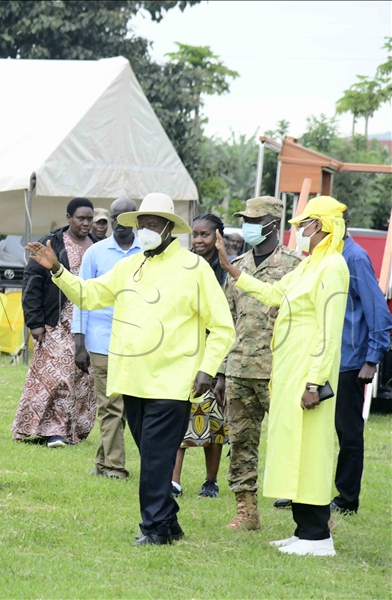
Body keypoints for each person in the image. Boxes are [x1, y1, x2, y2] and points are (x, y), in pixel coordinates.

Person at [27, 192, 235, 546]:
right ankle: (168, 521)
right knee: (151, 456)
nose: (146, 230)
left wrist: (207, 368)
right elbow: (90, 295)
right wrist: (58, 270)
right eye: (143, 224)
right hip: (132, 379)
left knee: (155, 460)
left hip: (172, 380)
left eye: (154, 224)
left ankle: (154, 529)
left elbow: (223, 326)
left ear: (170, 228)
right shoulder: (129, 266)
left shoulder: (194, 268)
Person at [216, 195, 349, 557]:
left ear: (320, 226)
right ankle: (304, 531)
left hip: (309, 375)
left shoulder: (333, 266)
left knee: (311, 454)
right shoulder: (310, 265)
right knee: (294, 451)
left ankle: (318, 536)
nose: (300, 232)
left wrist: (315, 383)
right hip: (290, 372)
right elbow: (274, 294)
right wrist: (233, 270)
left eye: (303, 225)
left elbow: (329, 330)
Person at [216, 197, 301, 530]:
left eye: (256, 219)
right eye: (246, 219)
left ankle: (311, 513)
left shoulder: (296, 264)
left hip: (279, 370)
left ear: (273, 223)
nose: (249, 224)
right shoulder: (237, 264)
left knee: (292, 442)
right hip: (239, 369)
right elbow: (225, 320)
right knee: (241, 442)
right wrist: (222, 370)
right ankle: (246, 511)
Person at [14, 197, 97, 447]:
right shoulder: (52, 243)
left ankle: (72, 430)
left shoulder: (98, 246)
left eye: (89, 219)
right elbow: (32, 281)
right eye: (80, 218)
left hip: (89, 323)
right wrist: (34, 321)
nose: (85, 223)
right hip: (56, 321)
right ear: (68, 217)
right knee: (58, 376)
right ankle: (55, 432)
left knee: (81, 378)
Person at [72, 196, 141, 477]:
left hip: (137, 342)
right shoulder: (96, 253)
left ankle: (102, 462)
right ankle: (114, 467)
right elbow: (80, 297)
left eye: (126, 218)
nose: (119, 224)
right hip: (101, 340)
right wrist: (79, 342)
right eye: (115, 218)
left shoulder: (147, 253)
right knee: (111, 404)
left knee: (123, 407)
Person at [330, 211, 392, 515]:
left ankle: (346, 499)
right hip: (323, 360)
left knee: (348, 433)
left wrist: (371, 359)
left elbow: (378, 310)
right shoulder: (324, 254)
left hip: (349, 361)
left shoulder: (354, 257)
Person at [171, 214, 230, 499]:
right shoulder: (184, 266)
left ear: (218, 236)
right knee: (179, 418)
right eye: (194, 234)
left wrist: (221, 370)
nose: (198, 240)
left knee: (214, 423)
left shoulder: (228, 271)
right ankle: (174, 481)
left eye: (204, 234)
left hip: (216, 356)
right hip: (185, 353)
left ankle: (210, 481)